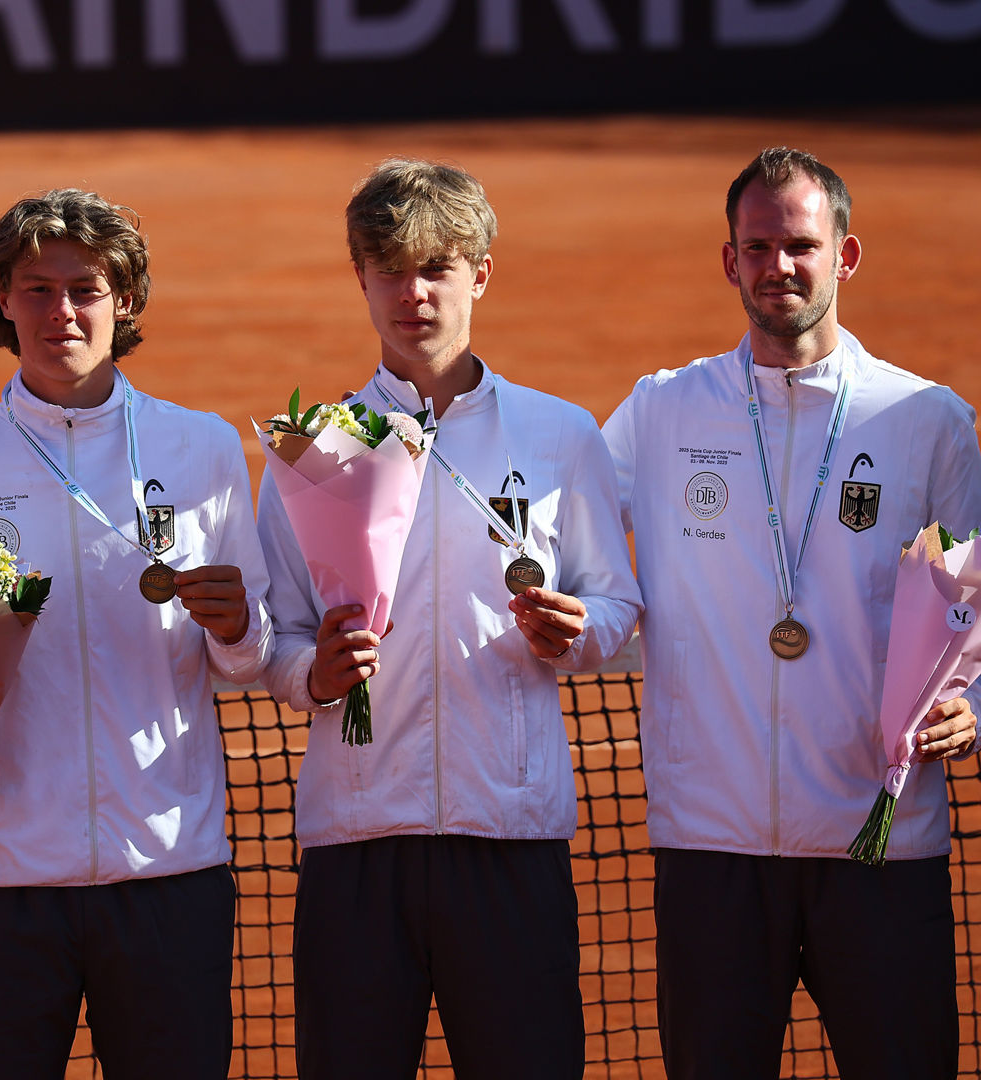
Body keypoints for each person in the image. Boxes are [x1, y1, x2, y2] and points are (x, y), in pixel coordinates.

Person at [0, 188, 273, 1080]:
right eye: (36, 289)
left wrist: (242, 629)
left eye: (84, 287)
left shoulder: (201, 450)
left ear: (124, 299)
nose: (61, 312)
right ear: (2, 302)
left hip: (169, 866)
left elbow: (252, 657)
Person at [257, 158, 642, 1079]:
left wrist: (577, 628)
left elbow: (619, 604)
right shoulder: (315, 445)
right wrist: (311, 675)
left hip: (509, 841)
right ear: (360, 278)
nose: (413, 292)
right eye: (389, 268)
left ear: (481, 272)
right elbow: (272, 638)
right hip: (357, 843)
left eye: (436, 267)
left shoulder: (560, 435)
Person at [602, 146, 981, 1080]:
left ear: (845, 256)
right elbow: (564, 549)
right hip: (711, 846)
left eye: (801, 246)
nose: (780, 267)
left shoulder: (928, 421)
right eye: (758, 247)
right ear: (729, 260)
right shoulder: (659, 412)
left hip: (880, 842)